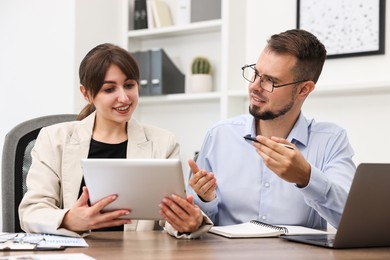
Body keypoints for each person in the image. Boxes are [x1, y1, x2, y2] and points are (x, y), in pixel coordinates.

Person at [19, 43, 212, 238]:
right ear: (86, 94)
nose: (124, 98)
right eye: (109, 89)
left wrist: (189, 222)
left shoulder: (163, 142)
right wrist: (69, 219)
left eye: (129, 85)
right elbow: (31, 211)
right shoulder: (53, 139)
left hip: (134, 254)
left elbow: (170, 217)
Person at [187, 29, 356, 230]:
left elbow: (352, 220)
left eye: (271, 81)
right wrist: (204, 200)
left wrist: (307, 178)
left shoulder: (331, 140)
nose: (254, 87)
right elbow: (193, 222)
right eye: (256, 74)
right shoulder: (219, 135)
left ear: (304, 90)